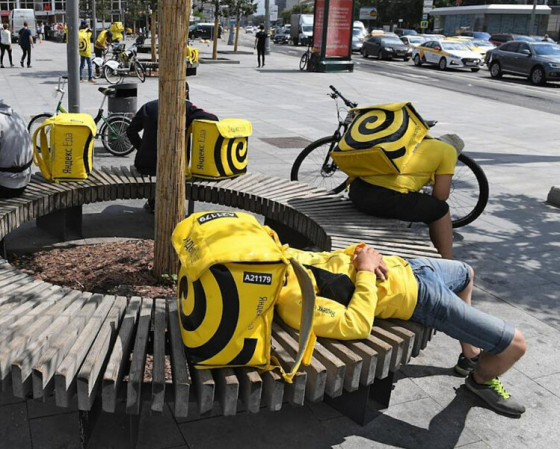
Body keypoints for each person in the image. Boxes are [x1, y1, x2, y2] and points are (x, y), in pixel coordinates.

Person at [277, 243, 528, 416]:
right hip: (421, 299)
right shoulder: (293, 301)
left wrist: (362, 252)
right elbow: (356, 325)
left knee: (467, 273)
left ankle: (471, 356)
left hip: (412, 268)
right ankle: (480, 381)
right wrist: (365, 269)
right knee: (515, 345)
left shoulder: (283, 255)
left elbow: (331, 260)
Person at [347, 135, 460, 259]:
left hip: (357, 190)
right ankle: (447, 261)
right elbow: (441, 195)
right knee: (441, 210)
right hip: (382, 199)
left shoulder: (416, 139)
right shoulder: (449, 151)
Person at [126, 83, 218, 211]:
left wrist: (141, 147)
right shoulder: (186, 108)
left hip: (146, 164)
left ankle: (153, 201)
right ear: (185, 93)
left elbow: (130, 130)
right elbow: (213, 118)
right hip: (175, 166)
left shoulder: (148, 106)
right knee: (175, 170)